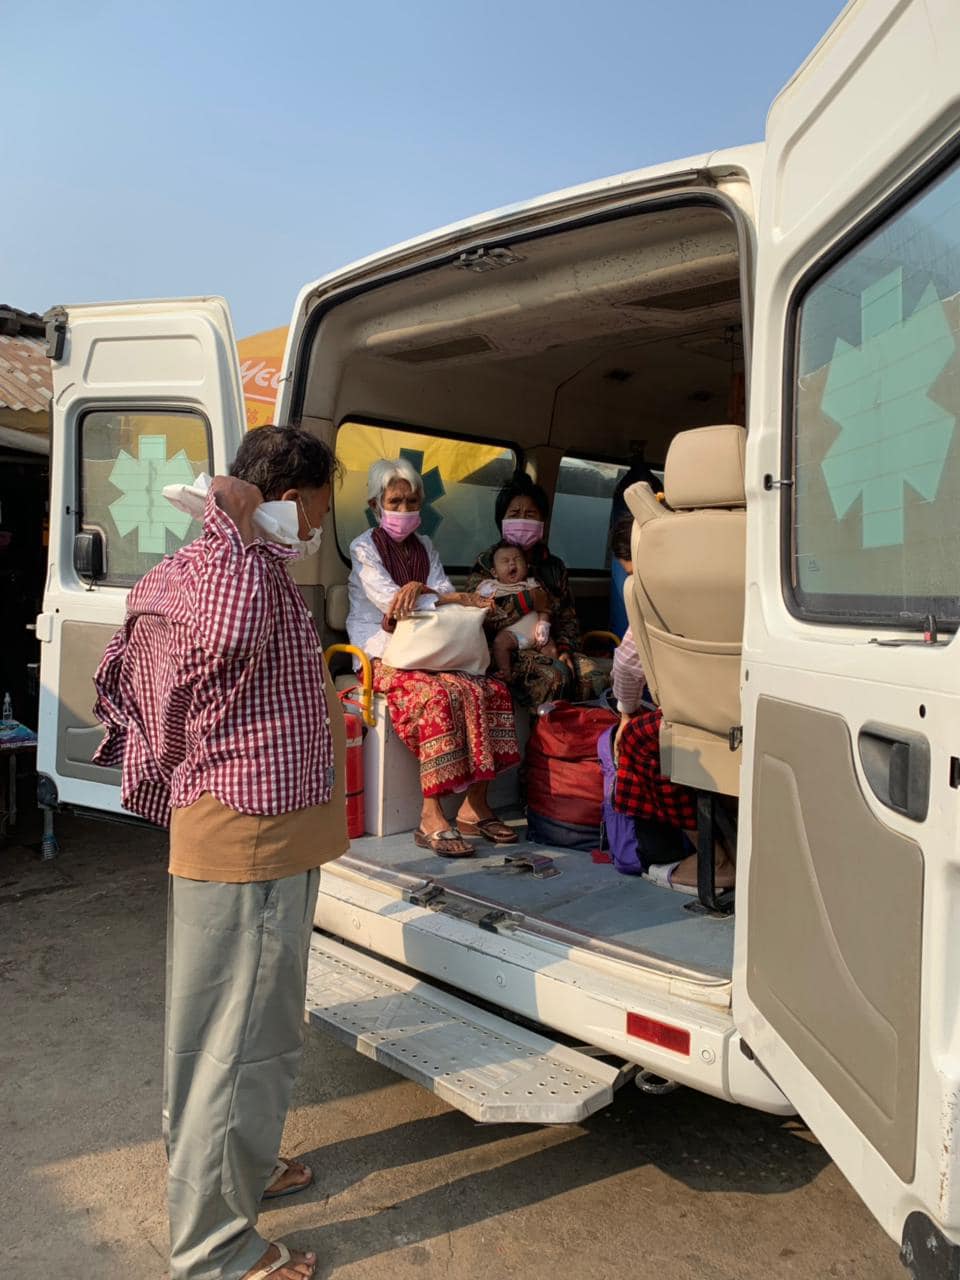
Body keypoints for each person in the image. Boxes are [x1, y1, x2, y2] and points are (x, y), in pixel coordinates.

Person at [92, 426, 345, 1280]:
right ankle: (215, 1251)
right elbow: (227, 639)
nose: (319, 524)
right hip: (251, 835)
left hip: (257, 828)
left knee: (220, 1035)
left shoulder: (215, 566)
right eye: (318, 506)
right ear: (287, 497)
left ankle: (241, 1164)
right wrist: (233, 515)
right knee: (239, 1043)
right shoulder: (227, 566)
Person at [346, 457, 521, 856]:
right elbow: (390, 602)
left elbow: (442, 592)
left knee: (490, 690)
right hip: (382, 654)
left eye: (411, 502)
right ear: (375, 505)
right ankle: (431, 814)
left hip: (429, 650)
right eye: (395, 502)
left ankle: (475, 807)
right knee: (439, 697)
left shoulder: (425, 546)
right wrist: (433, 594)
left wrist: (429, 591)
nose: (404, 510)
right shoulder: (363, 547)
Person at [609, 515, 736, 895]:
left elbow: (628, 663)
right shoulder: (728, 559)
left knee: (639, 741)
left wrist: (626, 712)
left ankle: (715, 860)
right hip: (757, 705)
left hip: (704, 716)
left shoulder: (657, 590)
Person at [467, 473, 583, 707]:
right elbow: (479, 615)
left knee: (596, 676)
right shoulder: (487, 563)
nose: (522, 520)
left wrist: (564, 650)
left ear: (542, 521)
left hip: (547, 644)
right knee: (556, 677)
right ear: (501, 520)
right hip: (505, 650)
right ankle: (541, 730)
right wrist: (527, 601)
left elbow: (568, 619)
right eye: (514, 514)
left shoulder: (554, 567)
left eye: (530, 515)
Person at [475, 541, 553, 681]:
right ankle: (506, 672)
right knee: (500, 642)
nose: (512, 564)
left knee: (551, 649)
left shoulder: (532, 585)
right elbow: (479, 606)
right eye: (505, 561)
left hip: (537, 635)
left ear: (526, 566)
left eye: (517, 559)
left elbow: (544, 607)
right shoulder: (490, 587)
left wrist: (544, 624)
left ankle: (555, 668)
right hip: (513, 635)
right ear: (494, 572)